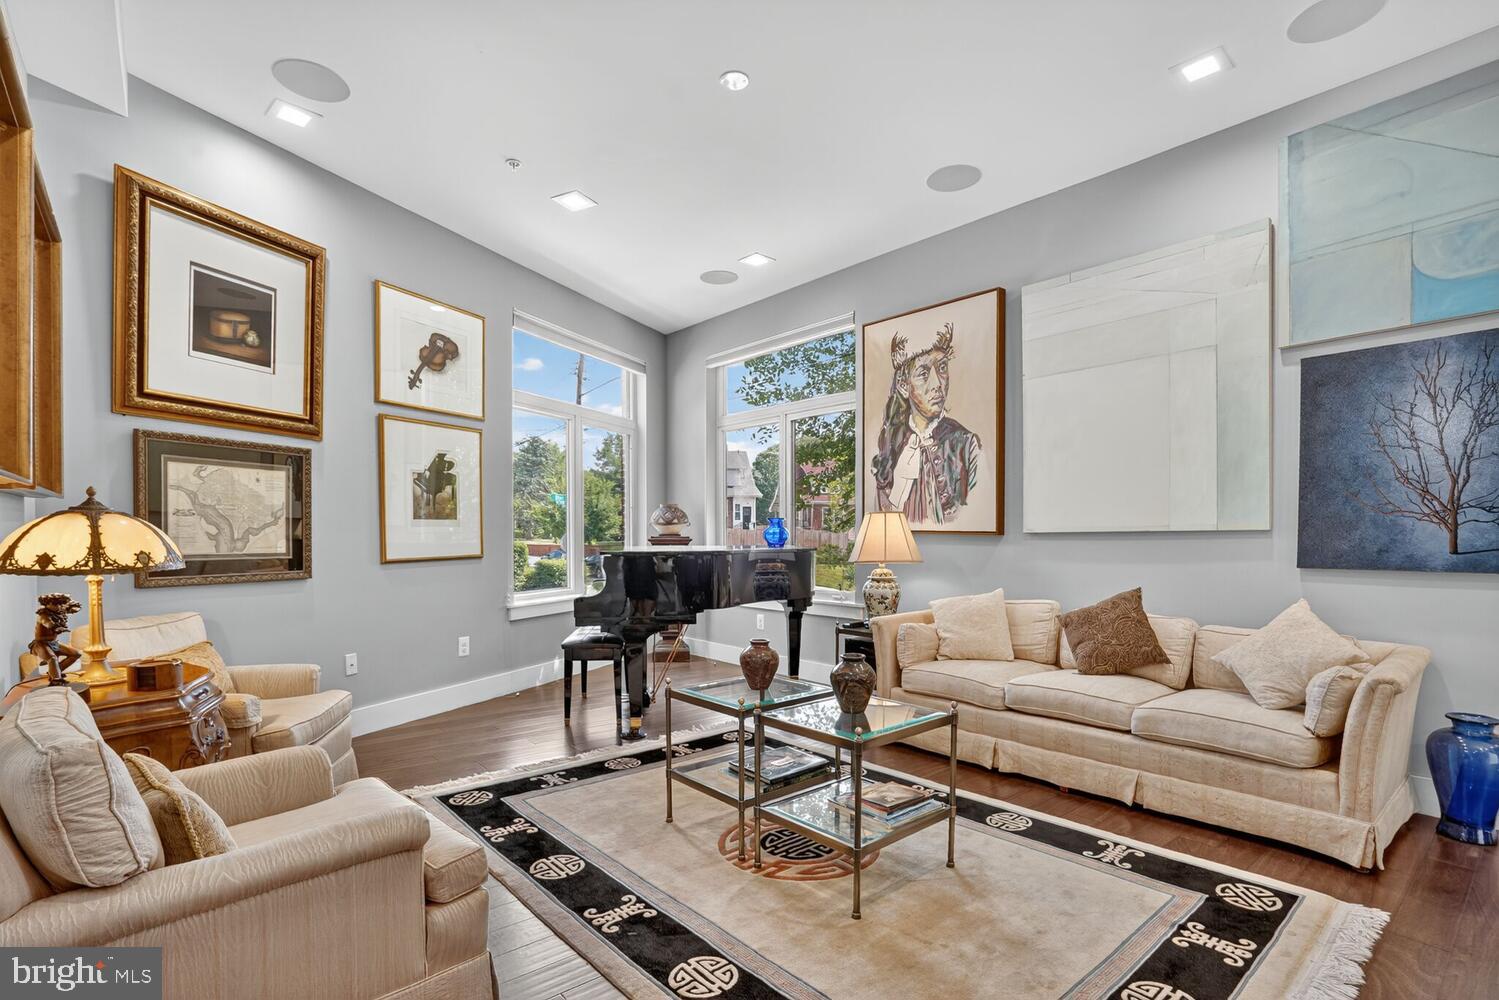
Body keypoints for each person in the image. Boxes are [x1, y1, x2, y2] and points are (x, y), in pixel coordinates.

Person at [870, 323, 981, 524]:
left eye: (942, 368)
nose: (938, 384)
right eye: (923, 373)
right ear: (904, 386)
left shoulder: (965, 443)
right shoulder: (890, 445)